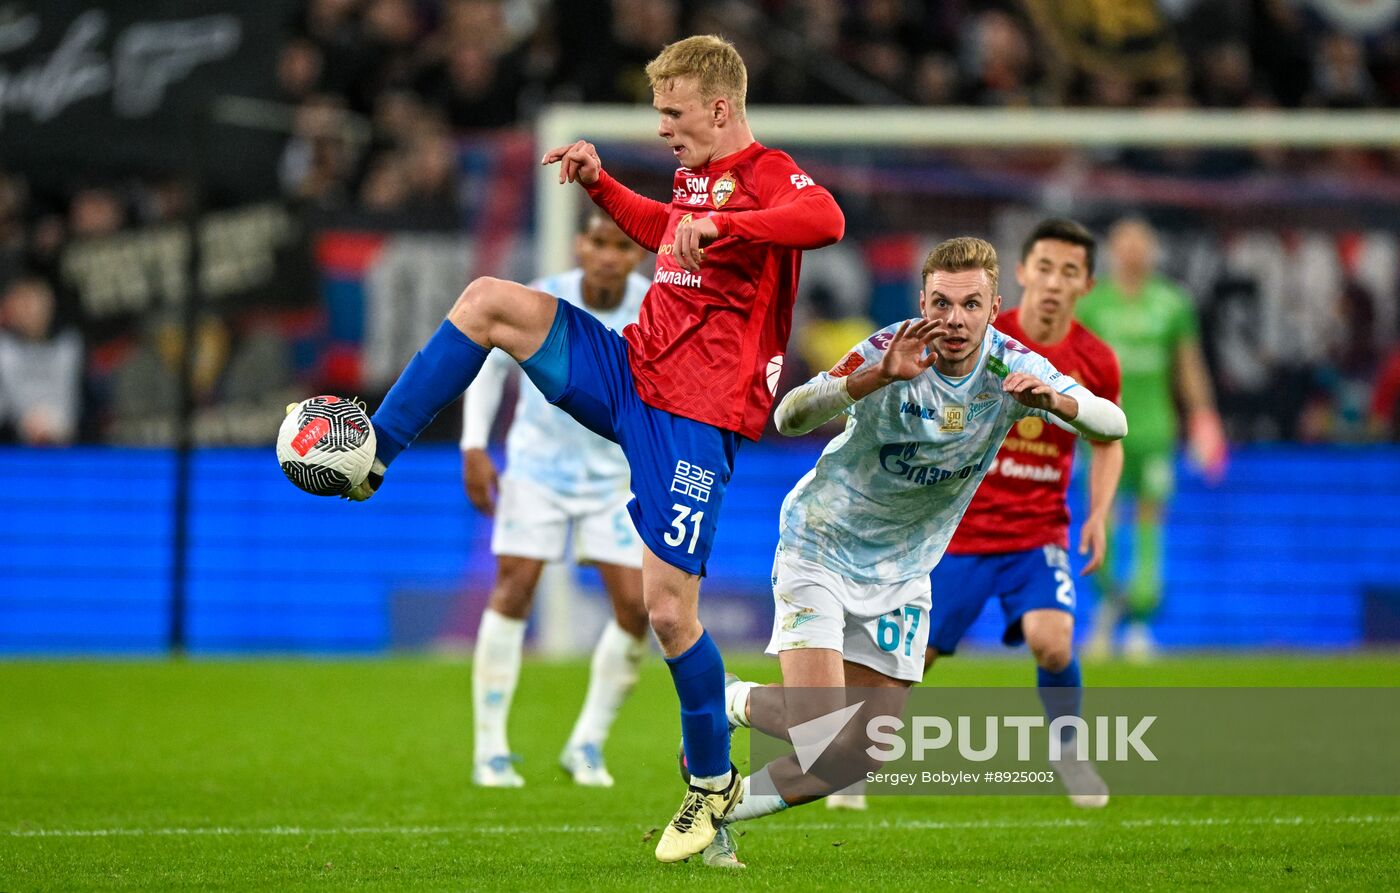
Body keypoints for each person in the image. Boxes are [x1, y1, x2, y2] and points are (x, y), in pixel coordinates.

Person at [338, 35, 844, 862]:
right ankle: (374, 452)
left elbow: (827, 219)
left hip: (697, 418)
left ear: (720, 108)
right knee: (489, 302)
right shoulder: (692, 179)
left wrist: (723, 222)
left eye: (673, 113)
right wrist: (602, 184)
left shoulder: (766, 173)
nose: (663, 128)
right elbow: (666, 231)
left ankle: (711, 782)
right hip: (630, 370)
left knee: (668, 612)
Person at [707, 237, 1127, 867]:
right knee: (818, 729)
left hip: (906, 570)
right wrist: (872, 378)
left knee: (860, 751)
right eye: (941, 304)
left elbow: (1113, 423)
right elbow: (788, 416)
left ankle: (719, 810)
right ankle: (726, 700)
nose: (955, 320)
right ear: (921, 302)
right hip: (822, 544)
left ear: (994, 308)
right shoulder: (888, 347)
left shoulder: (1013, 366)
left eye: (971, 305)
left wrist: (1057, 402)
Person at [921, 219, 1122, 810]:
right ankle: (851, 760)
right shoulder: (981, 338)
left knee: (1053, 642)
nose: (1054, 282)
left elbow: (1108, 441)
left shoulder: (1095, 360)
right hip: (961, 531)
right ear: (1023, 272)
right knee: (910, 660)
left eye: (1069, 271)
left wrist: (1099, 514)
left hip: (1037, 532)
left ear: (1086, 284)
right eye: (1045, 267)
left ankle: (1068, 750)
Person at [460, 212, 649, 788]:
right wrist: (474, 444)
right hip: (537, 468)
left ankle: (586, 744)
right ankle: (490, 749)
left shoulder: (655, 308)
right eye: (598, 242)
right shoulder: (544, 298)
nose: (609, 256)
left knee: (638, 609)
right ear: (579, 245)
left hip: (615, 477)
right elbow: (489, 367)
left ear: (638, 255)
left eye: (622, 246)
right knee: (514, 587)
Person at [1077, 217, 1225, 660]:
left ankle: (1140, 621)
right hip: (1102, 433)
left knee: (1149, 522)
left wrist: (1203, 417)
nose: (1133, 252)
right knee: (1101, 520)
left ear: (1153, 251)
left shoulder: (1172, 303)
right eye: (1125, 245)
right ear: (1111, 251)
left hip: (1155, 431)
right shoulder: (1092, 304)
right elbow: (1072, 367)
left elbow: (1188, 365)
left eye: (1141, 244)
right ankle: (1107, 605)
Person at [0, 276, 82, 445]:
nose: (30, 311)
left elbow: (85, 399)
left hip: (70, 443)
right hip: (11, 446)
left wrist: (60, 426)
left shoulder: (71, 344)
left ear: (50, 305)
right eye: (23, 304)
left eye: (36, 303)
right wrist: (21, 426)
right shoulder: (4, 348)